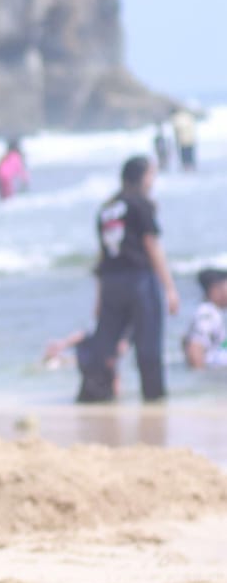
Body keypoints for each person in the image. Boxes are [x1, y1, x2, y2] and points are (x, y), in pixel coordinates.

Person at [76, 154, 178, 403]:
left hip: (111, 283)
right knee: (148, 344)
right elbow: (151, 245)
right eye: (151, 175)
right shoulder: (140, 204)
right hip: (139, 281)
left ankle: (95, 397)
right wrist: (170, 288)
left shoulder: (107, 209)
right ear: (140, 177)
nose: (153, 181)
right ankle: (154, 401)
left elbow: (104, 255)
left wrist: (100, 297)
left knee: (105, 345)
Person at [182, 267, 227, 369]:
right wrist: (202, 377)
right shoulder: (207, 314)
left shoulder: (214, 312)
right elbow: (194, 349)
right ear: (215, 289)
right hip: (213, 375)